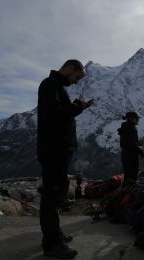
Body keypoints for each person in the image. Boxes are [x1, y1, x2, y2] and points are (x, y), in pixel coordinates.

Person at [37, 59, 92, 258]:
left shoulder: (58, 86)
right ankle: (51, 245)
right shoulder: (50, 84)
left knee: (56, 194)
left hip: (59, 150)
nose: (76, 82)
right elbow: (54, 116)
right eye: (77, 77)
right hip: (53, 151)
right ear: (69, 68)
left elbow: (61, 115)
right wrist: (77, 106)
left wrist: (77, 108)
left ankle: (56, 234)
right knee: (51, 196)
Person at [118, 111, 144, 185]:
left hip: (127, 154)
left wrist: (139, 143)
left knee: (128, 175)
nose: (138, 120)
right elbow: (131, 144)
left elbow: (130, 141)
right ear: (131, 119)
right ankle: (128, 193)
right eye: (136, 119)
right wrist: (140, 151)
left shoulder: (127, 127)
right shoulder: (130, 129)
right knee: (132, 175)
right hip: (130, 155)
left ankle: (127, 192)